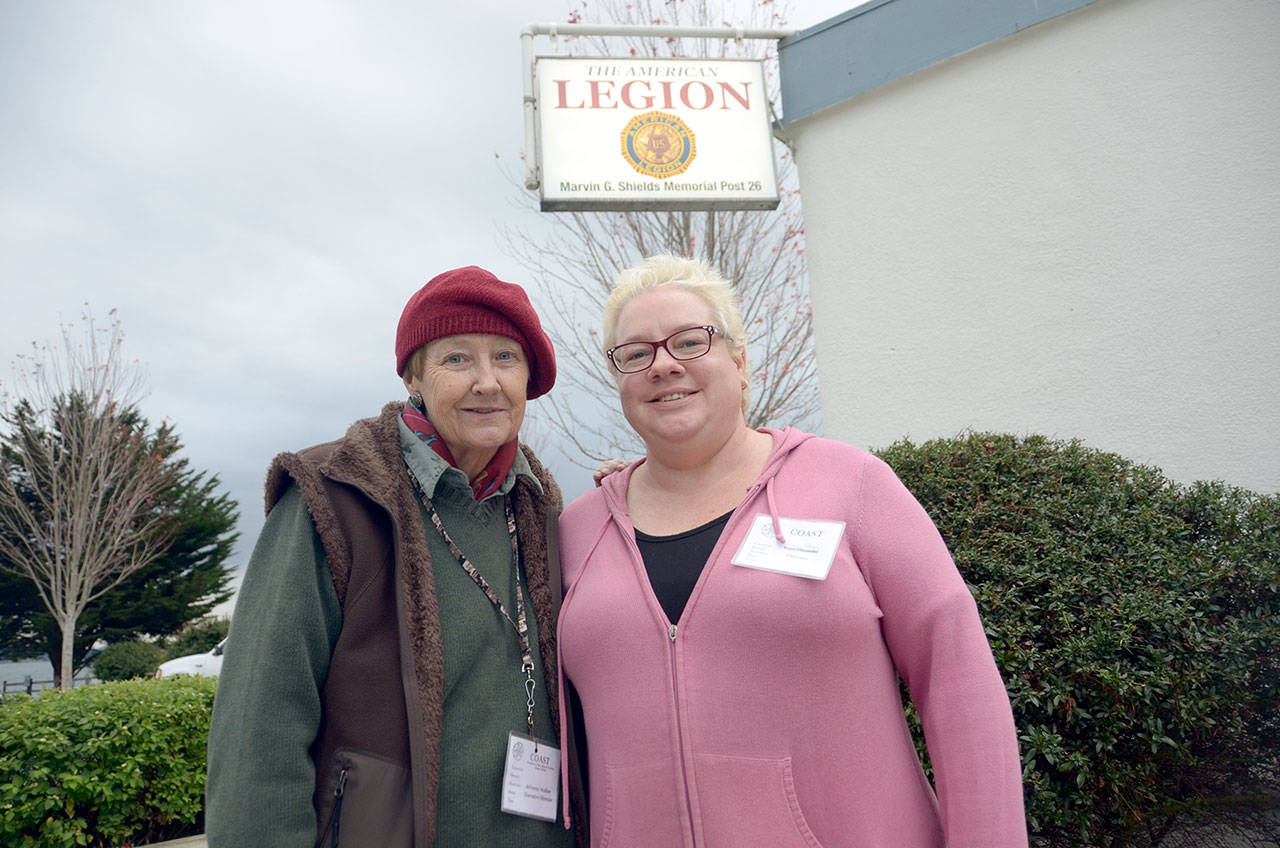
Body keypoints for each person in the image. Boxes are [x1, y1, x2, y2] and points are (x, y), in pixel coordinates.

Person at [555, 255, 1028, 847]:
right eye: (636, 354)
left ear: (740, 360)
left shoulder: (851, 485)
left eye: (689, 342)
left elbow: (960, 686)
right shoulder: (577, 530)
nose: (663, 365)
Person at [206, 266, 582, 848]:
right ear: (413, 376)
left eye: (506, 358)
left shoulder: (540, 509)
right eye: (457, 359)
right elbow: (260, 729)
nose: (487, 382)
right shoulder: (334, 498)